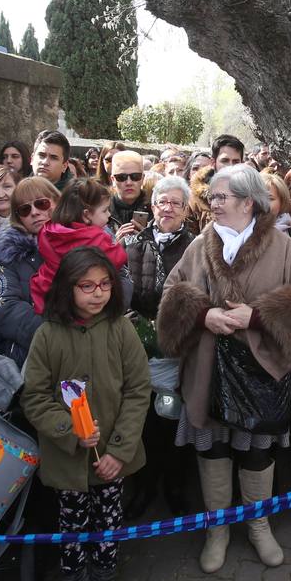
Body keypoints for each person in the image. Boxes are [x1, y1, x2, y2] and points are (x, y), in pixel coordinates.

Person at [158, 165, 291, 570]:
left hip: (261, 371)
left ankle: (258, 525)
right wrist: (202, 316)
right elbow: (171, 293)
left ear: (248, 202)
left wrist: (257, 317)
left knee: (258, 449)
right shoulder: (200, 244)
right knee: (213, 446)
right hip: (207, 368)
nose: (213, 203)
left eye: (222, 197)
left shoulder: (281, 245)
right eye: (212, 196)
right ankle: (218, 530)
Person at [22, 247, 150, 581]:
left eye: (105, 284)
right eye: (87, 286)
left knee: (107, 525)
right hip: (67, 460)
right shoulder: (47, 335)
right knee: (72, 527)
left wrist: (119, 450)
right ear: (68, 288)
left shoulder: (121, 329)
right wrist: (68, 431)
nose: (98, 294)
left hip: (112, 457)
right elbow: (34, 397)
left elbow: (138, 390)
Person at [122, 175, 195, 516]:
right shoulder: (133, 243)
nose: (168, 208)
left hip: (178, 351)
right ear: (152, 206)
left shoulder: (196, 246)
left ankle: (175, 485)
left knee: (172, 419)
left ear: (186, 210)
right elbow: (121, 292)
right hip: (139, 348)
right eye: (162, 201)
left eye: (176, 203)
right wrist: (139, 325)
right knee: (142, 421)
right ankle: (144, 486)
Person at [29, 179, 130, 319]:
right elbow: (118, 258)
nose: (108, 215)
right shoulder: (94, 238)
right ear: (86, 215)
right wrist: (119, 243)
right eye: (105, 210)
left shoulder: (48, 230)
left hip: (46, 296)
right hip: (78, 303)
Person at [0, 176, 61, 367]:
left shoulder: (86, 235)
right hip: (35, 356)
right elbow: (4, 308)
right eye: (25, 209)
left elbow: (121, 280)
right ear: (17, 216)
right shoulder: (8, 254)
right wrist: (56, 335)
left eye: (42, 203)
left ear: (57, 201)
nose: (35, 212)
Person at [108, 150, 151, 235]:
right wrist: (114, 242)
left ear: (142, 178)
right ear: (113, 180)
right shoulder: (102, 210)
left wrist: (148, 238)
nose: (129, 183)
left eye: (135, 176)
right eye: (121, 177)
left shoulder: (155, 209)